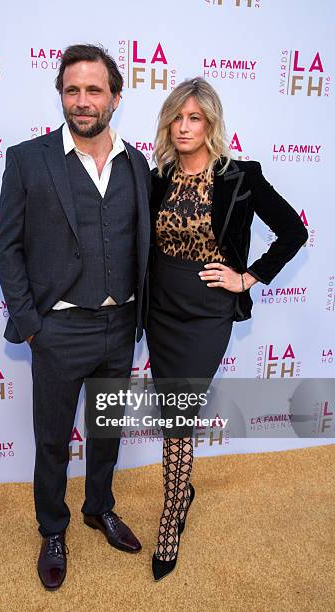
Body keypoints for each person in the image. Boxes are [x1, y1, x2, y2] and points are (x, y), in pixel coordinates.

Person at [0, 44, 151, 590]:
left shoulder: (138, 164)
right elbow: (8, 248)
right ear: (61, 94)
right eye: (72, 90)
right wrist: (33, 324)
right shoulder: (28, 158)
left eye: (94, 90)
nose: (83, 102)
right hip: (56, 329)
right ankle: (53, 528)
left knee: (106, 431)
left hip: (119, 326)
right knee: (53, 440)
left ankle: (98, 507)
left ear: (115, 95)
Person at [146, 77, 308, 581]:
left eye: (195, 118)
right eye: (178, 117)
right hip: (160, 307)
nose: (185, 126)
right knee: (172, 407)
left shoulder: (240, 176)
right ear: (168, 123)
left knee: (180, 410)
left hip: (210, 309)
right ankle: (182, 489)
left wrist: (247, 276)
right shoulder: (156, 177)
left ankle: (172, 513)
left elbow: (294, 231)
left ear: (212, 124)